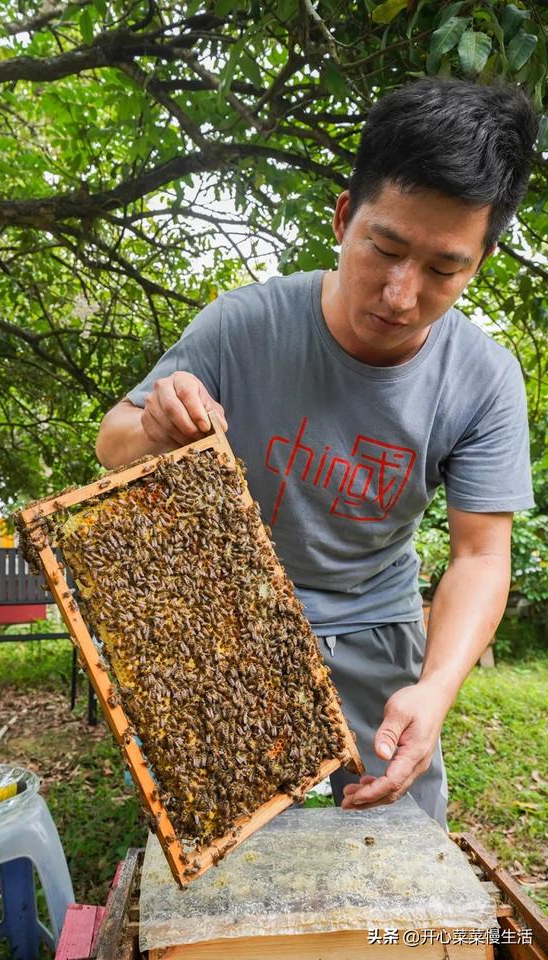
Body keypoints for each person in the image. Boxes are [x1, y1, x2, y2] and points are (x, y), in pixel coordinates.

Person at [96, 78, 538, 828]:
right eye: (386, 248)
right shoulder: (243, 325)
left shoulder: (486, 380)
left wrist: (435, 690)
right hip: (230, 612)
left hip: (377, 618)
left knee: (399, 837)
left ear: (480, 262)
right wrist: (157, 426)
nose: (401, 295)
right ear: (343, 217)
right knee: (220, 835)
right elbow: (115, 443)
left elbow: (480, 557)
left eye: (443, 270)